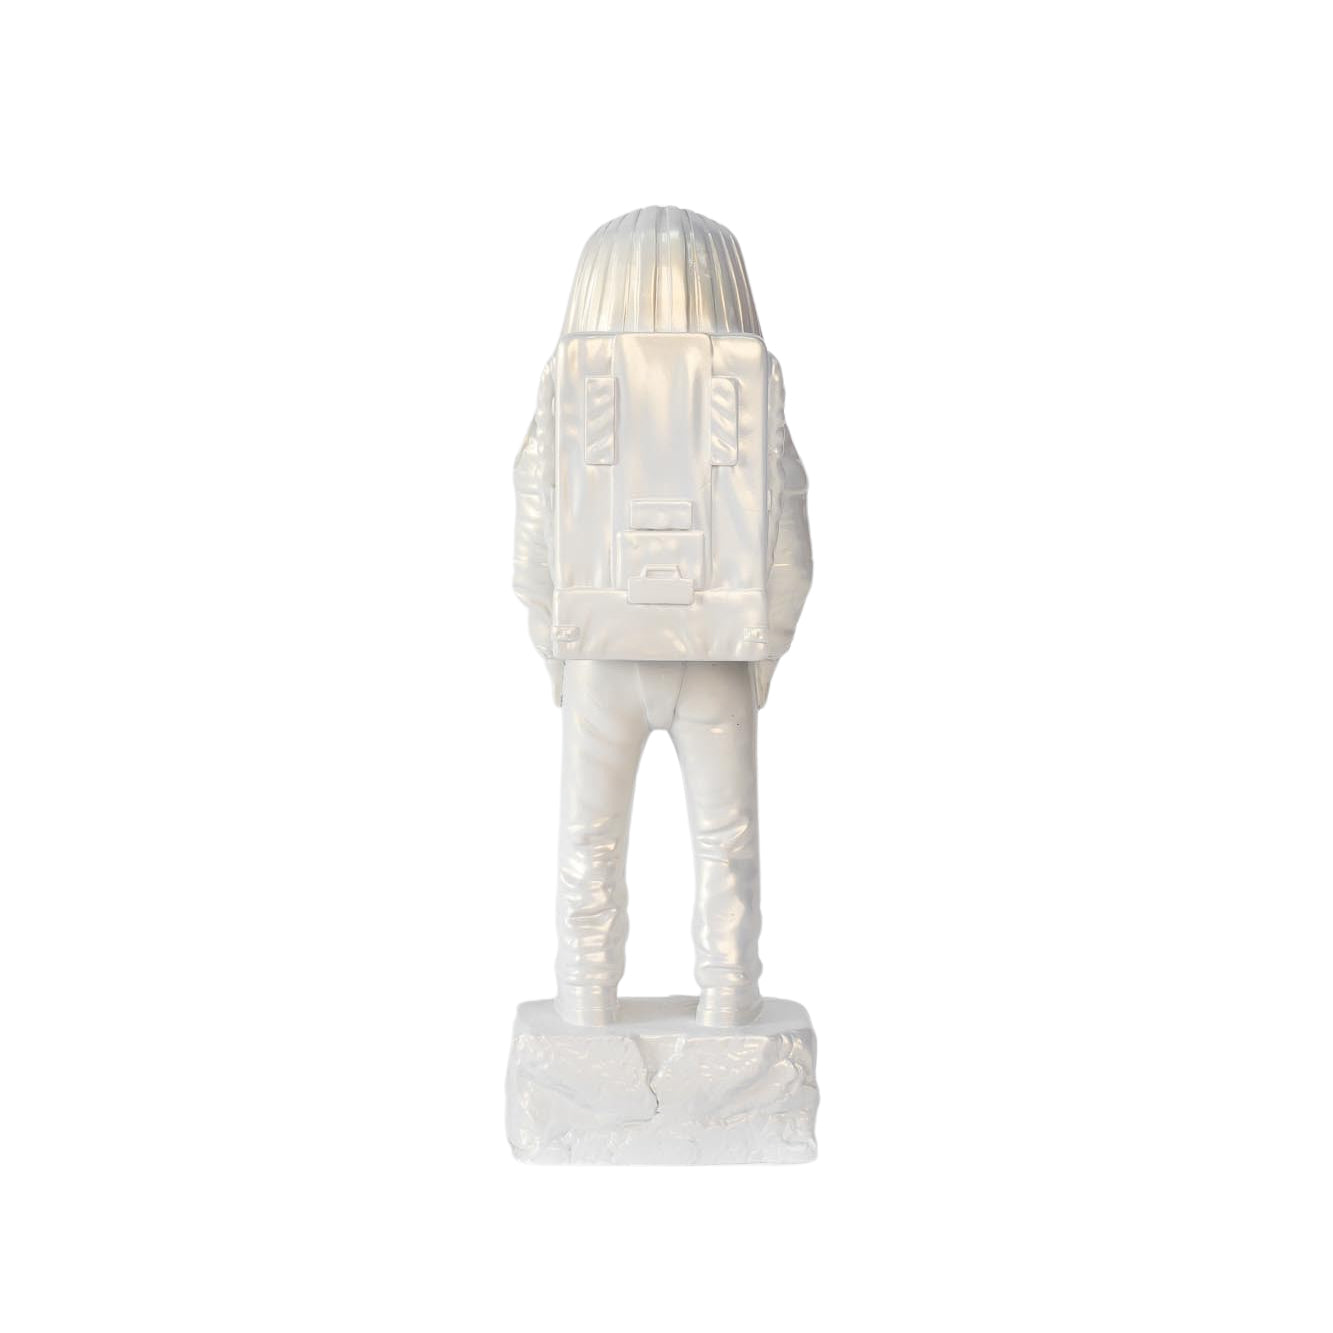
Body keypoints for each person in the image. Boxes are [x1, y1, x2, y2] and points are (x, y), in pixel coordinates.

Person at [513, 207, 812, 1026]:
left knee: (588, 841)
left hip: (600, 657)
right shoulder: (748, 384)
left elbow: (534, 528)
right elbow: (787, 532)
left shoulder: (569, 384)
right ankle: (728, 1000)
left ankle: (584, 1004)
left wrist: (556, 651)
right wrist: (762, 653)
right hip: (715, 654)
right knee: (726, 842)